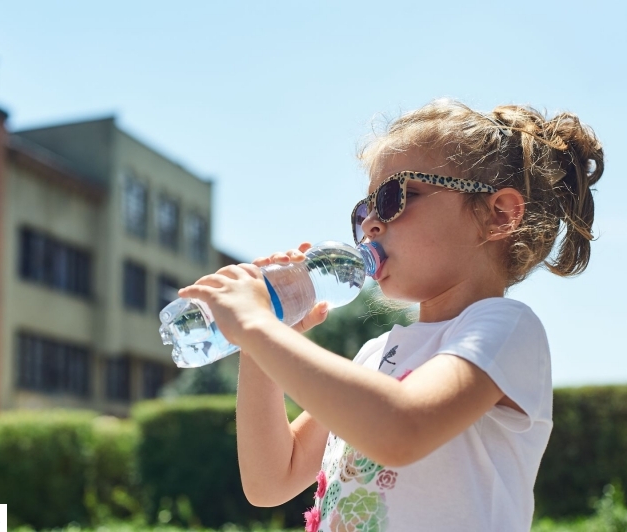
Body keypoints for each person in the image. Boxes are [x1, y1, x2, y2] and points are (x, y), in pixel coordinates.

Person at [178, 98, 604, 531]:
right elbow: (270, 480)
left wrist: (254, 324)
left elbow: (402, 429)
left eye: (395, 196)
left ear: (498, 215)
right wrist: (260, 339)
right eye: (364, 211)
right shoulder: (374, 356)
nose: (370, 225)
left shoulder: (507, 328)